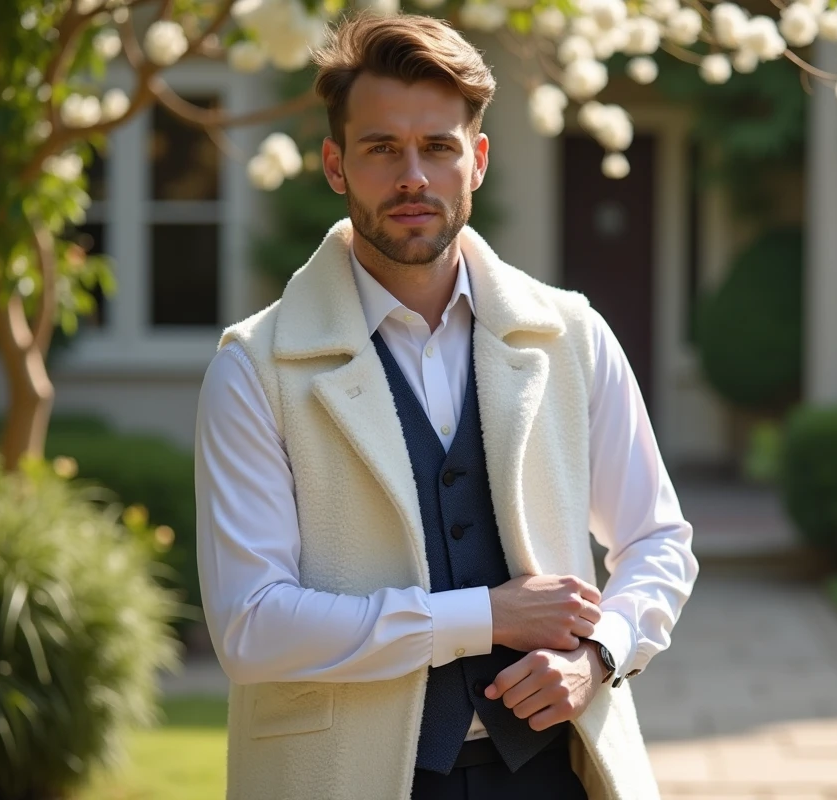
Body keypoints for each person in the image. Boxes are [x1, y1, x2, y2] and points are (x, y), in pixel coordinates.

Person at [194, 12, 698, 800]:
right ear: (335, 163)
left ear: (479, 160)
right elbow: (252, 626)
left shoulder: (571, 336)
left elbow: (658, 541)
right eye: (381, 148)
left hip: (553, 775)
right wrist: (484, 617)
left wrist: (598, 653)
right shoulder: (255, 370)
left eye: (437, 146)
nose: (413, 178)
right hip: (345, 781)